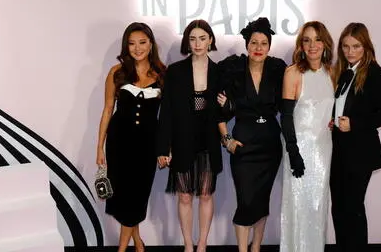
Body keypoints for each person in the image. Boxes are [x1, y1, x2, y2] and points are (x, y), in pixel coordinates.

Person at [216, 17, 288, 252]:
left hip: (269, 145)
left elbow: (290, 102)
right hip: (243, 144)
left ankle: (256, 247)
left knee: (261, 200)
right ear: (247, 44)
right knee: (246, 201)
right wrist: (226, 139)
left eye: (263, 43)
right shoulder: (233, 69)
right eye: (254, 43)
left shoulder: (278, 70)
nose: (258, 48)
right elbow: (217, 110)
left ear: (269, 46)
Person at [96, 22, 166, 252]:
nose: (137, 48)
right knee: (123, 197)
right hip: (119, 143)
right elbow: (107, 110)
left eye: (142, 43)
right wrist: (99, 147)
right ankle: (131, 245)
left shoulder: (163, 74)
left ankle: (131, 244)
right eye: (132, 43)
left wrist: (167, 148)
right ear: (126, 46)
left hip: (147, 145)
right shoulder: (116, 72)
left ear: (151, 44)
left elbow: (168, 117)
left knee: (137, 195)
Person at [156, 20, 222, 252]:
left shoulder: (219, 71)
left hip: (209, 140)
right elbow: (167, 113)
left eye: (202, 38)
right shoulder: (175, 71)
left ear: (210, 40)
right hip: (182, 139)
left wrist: (227, 104)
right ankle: (187, 244)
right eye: (192, 38)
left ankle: (202, 243)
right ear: (187, 41)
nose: (197, 43)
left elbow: (227, 111)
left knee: (205, 194)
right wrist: (164, 148)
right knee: (184, 196)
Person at [329, 22, 381, 251]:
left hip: (361, 152)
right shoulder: (342, 72)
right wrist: (333, 120)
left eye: (356, 46)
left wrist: (354, 124)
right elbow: (342, 107)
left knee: (353, 208)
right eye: (346, 46)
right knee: (338, 207)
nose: (350, 51)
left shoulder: (377, 74)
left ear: (366, 46)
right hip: (338, 149)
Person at [279, 21, 335, 252]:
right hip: (298, 147)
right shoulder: (293, 73)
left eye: (317, 39)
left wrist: (334, 121)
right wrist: (293, 150)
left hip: (323, 147)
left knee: (317, 205)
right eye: (307, 40)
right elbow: (286, 116)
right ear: (301, 45)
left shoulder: (333, 72)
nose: (312, 45)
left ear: (325, 43)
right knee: (297, 205)